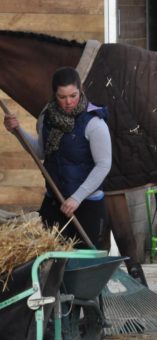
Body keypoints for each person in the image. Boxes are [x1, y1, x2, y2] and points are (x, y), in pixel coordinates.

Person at [3, 66, 111, 249]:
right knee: (53, 263)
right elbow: (40, 152)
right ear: (54, 95)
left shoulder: (94, 123)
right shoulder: (47, 118)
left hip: (87, 206)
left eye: (73, 95)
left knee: (83, 264)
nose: (69, 102)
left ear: (80, 90)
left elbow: (103, 165)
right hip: (54, 203)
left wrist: (77, 198)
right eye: (62, 97)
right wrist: (17, 131)